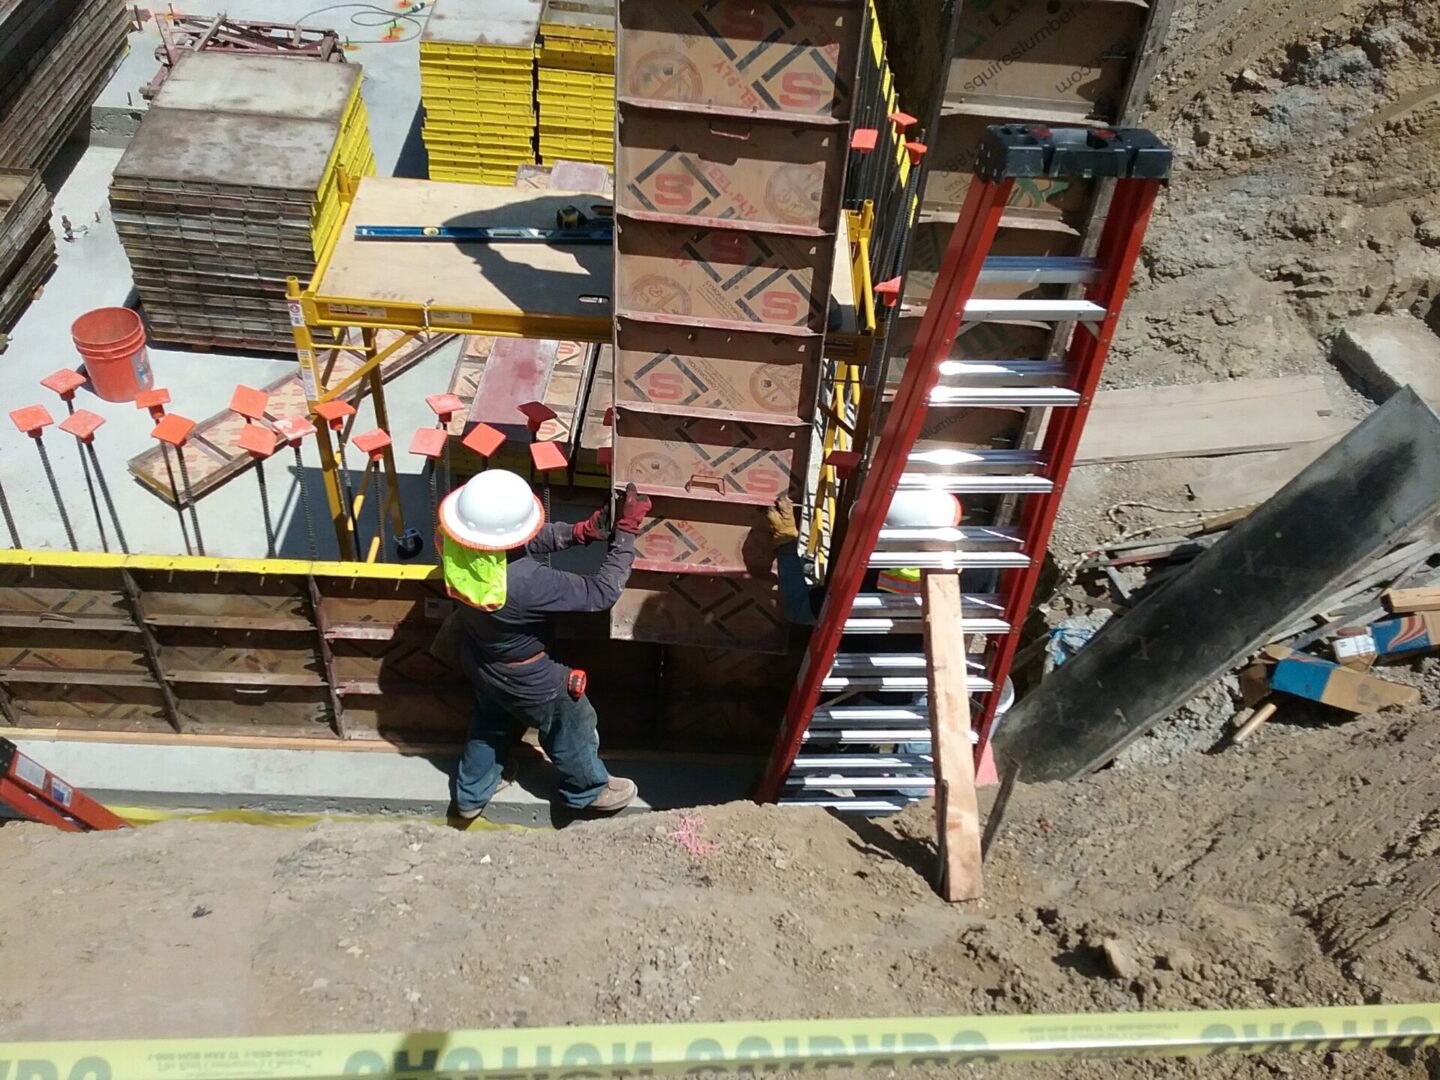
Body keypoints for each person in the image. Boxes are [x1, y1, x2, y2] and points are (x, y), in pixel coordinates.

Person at [436, 469, 652, 820]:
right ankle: (588, 790)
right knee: (571, 718)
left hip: (480, 656)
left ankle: (470, 796)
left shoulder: (453, 540)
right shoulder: (527, 584)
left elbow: (512, 545)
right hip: (529, 676)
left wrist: (581, 532)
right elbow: (601, 593)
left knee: (491, 720)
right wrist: (624, 536)